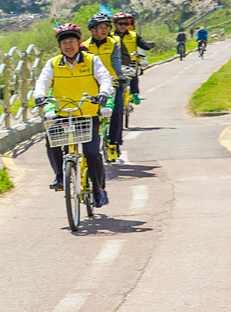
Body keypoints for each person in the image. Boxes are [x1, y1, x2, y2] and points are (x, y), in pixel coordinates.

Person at [33, 23, 115, 207]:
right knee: (51, 141)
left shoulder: (92, 60)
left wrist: (103, 93)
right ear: (59, 46)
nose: (68, 46)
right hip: (64, 114)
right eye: (64, 43)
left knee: (92, 153)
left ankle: (99, 190)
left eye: (71, 41)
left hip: (87, 114)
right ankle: (60, 176)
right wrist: (39, 96)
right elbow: (42, 81)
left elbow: (105, 78)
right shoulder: (53, 63)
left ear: (79, 42)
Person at [82, 13, 128, 158]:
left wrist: (120, 77)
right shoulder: (84, 46)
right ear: (92, 30)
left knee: (117, 112)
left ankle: (114, 143)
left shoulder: (113, 42)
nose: (104, 30)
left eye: (106, 27)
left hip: (112, 81)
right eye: (100, 27)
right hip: (93, 84)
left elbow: (115, 61)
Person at [114, 11, 153, 104]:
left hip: (132, 62)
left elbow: (142, 44)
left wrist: (148, 45)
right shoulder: (110, 37)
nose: (123, 26)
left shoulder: (134, 36)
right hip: (116, 63)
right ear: (115, 24)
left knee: (133, 78)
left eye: (126, 24)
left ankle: (134, 94)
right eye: (120, 24)